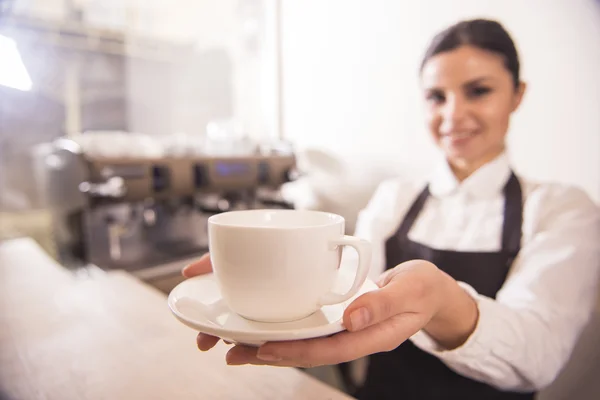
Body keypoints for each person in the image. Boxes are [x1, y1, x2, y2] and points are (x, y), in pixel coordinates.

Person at [181, 18, 600, 400]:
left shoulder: (561, 209)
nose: (453, 115)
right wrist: (267, 285)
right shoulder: (394, 197)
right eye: (436, 97)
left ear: (517, 95)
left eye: (478, 91)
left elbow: (540, 355)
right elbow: (344, 290)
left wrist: (445, 304)